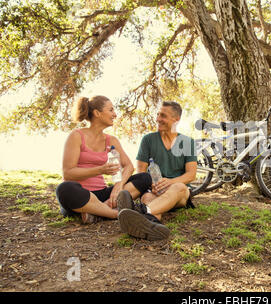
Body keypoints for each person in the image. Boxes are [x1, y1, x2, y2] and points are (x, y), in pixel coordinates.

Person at [55, 95, 151, 224]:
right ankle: (113, 214)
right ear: (97, 113)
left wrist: (118, 186)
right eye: (111, 110)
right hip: (81, 197)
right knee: (64, 188)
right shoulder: (77, 136)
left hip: (102, 195)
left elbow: (128, 166)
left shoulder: (111, 140)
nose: (115, 114)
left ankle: (98, 212)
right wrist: (100, 170)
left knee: (145, 177)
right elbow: (68, 173)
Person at [117, 101, 197, 240]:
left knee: (178, 187)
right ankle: (150, 226)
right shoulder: (148, 140)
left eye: (163, 116)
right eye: (158, 114)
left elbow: (191, 174)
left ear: (176, 119)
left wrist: (170, 182)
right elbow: (141, 171)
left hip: (179, 193)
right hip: (154, 190)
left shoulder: (187, 142)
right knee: (147, 198)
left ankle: (140, 212)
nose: (158, 119)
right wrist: (152, 186)